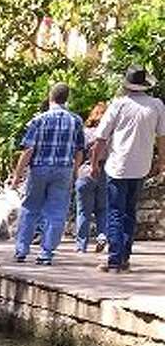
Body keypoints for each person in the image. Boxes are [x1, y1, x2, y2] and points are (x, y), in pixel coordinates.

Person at [92, 67, 165, 272]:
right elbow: (162, 137)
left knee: (115, 212)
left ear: (127, 85)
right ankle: (124, 257)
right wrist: (161, 162)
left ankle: (114, 260)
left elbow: (101, 138)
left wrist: (94, 162)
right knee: (130, 212)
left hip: (118, 165)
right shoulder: (156, 105)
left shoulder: (119, 104)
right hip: (141, 166)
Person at [11, 82, 84, 265]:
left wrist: (17, 175)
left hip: (39, 168)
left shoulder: (38, 120)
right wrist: (75, 172)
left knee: (30, 207)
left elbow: (27, 150)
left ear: (50, 97)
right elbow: (79, 150)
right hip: (64, 169)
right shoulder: (76, 121)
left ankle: (21, 250)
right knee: (56, 211)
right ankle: (46, 253)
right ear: (66, 98)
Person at [74, 102, 108, 253]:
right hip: (105, 172)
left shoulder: (84, 132)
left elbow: (78, 154)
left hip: (85, 172)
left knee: (83, 211)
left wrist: (75, 172)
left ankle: (82, 246)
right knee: (103, 209)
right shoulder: (110, 134)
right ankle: (102, 236)